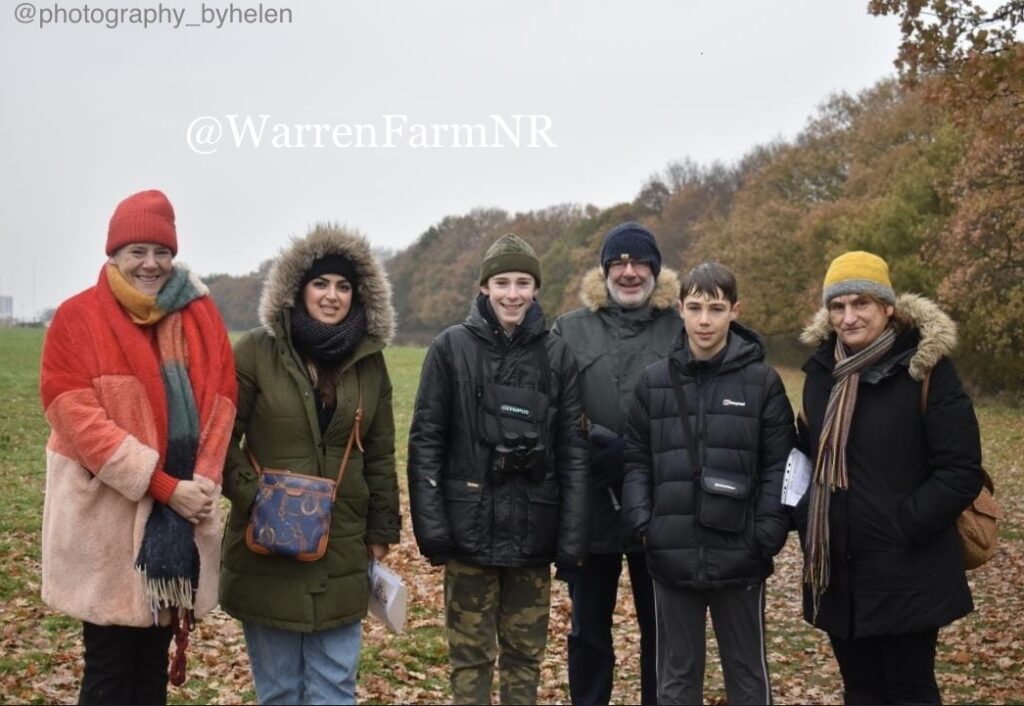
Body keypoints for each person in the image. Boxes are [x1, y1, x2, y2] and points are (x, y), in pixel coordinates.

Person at [39, 189, 237, 705]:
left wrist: (203, 483)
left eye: (162, 251)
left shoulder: (200, 318)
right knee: (107, 667)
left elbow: (221, 402)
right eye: (137, 251)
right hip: (105, 521)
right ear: (114, 255)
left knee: (150, 668)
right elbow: (75, 415)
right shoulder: (77, 317)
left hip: (177, 520)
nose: (151, 264)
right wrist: (165, 486)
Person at [219, 225, 400, 705]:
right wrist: (254, 497)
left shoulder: (370, 362)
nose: (332, 295)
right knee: (279, 691)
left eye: (343, 286)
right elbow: (216, 438)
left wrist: (382, 529)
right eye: (321, 283)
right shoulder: (256, 351)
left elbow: (380, 452)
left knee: (336, 687)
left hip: (342, 544)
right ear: (298, 288)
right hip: (266, 548)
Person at [408, 233, 589, 705]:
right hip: (469, 532)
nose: (513, 293)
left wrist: (571, 540)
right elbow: (426, 441)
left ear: (536, 289)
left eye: (523, 282)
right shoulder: (450, 349)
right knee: (469, 657)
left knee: (525, 657)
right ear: (484, 287)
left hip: (535, 532)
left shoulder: (558, 356)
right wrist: (433, 527)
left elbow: (573, 451)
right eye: (503, 281)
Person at [796, 251, 983, 705]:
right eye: (838, 306)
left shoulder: (925, 369)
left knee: (910, 691)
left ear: (887, 308)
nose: (848, 316)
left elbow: (961, 470)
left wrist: (906, 524)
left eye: (861, 303)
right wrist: (805, 518)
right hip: (837, 571)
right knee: (861, 692)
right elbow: (806, 455)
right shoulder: (823, 374)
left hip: (907, 570)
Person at [622, 261, 794, 705]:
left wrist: (767, 534)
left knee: (747, 672)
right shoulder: (653, 383)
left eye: (715, 308)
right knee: (676, 678)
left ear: (735, 311)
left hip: (742, 553)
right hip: (671, 553)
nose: (704, 320)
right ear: (679, 308)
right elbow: (636, 460)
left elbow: (781, 465)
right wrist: (644, 524)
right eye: (695, 307)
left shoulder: (763, 383)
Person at [551, 221, 681, 705]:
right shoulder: (570, 328)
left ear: (655, 268)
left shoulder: (682, 325)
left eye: (639, 262)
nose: (629, 272)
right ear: (604, 270)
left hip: (663, 505)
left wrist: (639, 455)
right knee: (588, 629)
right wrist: (592, 446)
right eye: (619, 263)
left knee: (662, 628)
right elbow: (556, 406)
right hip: (591, 506)